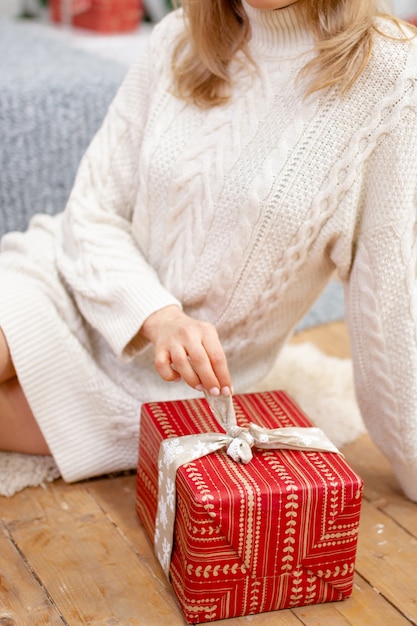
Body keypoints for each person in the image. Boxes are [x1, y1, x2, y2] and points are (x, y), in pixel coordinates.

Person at [1, 0, 417, 500]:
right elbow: (92, 210)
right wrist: (160, 317)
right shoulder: (178, 35)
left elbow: (392, 299)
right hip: (70, 275)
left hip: (166, 384)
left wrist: (410, 459)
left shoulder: (390, 74)